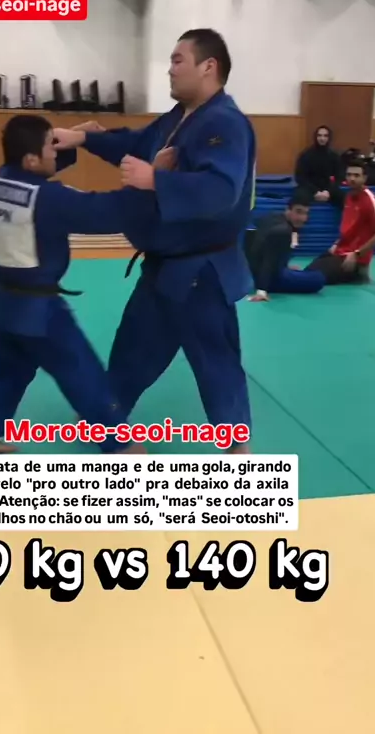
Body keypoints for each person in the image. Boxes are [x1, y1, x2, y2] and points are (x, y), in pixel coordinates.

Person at [53, 29, 255, 454]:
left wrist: (155, 180)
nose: (170, 69)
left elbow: (222, 190)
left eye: (178, 60)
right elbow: (136, 142)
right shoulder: (180, 117)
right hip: (165, 266)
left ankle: (238, 451)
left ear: (208, 66)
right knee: (135, 347)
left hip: (201, 270)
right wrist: (84, 139)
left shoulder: (224, 122)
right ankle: (106, 419)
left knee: (214, 359)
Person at [0, 114, 160, 455]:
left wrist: (79, 138)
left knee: (8, 371)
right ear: (32, 159)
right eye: (50, 146)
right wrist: (152, 181)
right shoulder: (48, 199)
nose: (54, 153)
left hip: (3, 303)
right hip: (39, 311)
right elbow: (108, 212)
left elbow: (39, 173)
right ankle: (120, 445)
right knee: (82, 372)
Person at [304, 159, 375, 285]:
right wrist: (337, 243)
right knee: (309, 270)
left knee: (314, 277)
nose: (352, 179)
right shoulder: (348, 197)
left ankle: (360, 275)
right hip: (340, 252)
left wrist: (357, 254)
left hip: (354, 260)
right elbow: (351, 228)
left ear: (364, 178)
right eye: (349, 175)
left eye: (356, 175)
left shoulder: (369, 200)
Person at [245, 191, 326, 302]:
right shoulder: (283, 231)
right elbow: (269, 260)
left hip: (253, 274)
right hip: (272, 279)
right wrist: (262, 290)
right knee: (319, 278)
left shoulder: (271, 217)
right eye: (298, 212)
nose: (302, 218)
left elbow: (261, 247)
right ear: (288, 210)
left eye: (306, 213)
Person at [294, 125, 343, 205]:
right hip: (308, 188)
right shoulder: (306, 155)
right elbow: (300, 177)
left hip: (327, 189)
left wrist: (328, 191)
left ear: (329, 138)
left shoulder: (334, 156)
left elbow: (339, 177)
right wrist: (315, 192)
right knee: (299, 198)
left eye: (325, 136)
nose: (322, 138)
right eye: (319, 135)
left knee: (344, 198)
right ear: (315, 137)